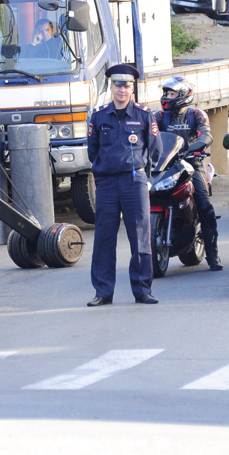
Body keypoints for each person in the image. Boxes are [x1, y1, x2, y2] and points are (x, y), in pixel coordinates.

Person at [86, 64, 161, 306]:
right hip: (107, 184)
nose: (122, 89)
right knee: (104, 239)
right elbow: (92, 151)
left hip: (134, 181)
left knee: (140, 237)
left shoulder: (143, 115)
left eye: (127, 85)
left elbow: (156, 150)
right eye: (118, 85)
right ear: (111, 86)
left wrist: (146, 177)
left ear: (132, 88)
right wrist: (102, 174)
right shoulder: (98, 116)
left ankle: (142, 290)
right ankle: (103, 292)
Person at [154, 77, 222, 271]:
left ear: (184, 95)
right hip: (166, 165)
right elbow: (148, 135)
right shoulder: (158, 116)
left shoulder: (197, 115)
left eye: (172, 94)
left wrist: (196, 147)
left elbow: (206, 135)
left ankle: (213, 256)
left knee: (204, 205)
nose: (167, 96)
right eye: (166, 93)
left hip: (192, 164)